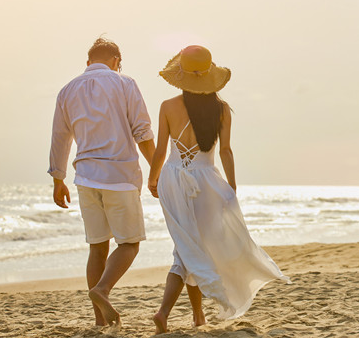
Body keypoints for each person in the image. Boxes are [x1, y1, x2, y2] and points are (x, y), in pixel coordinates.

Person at [148, 45, 289, 334]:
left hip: (172, 179)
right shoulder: (222, 110)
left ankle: (196, 315)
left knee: (187, 246)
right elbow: (225, 151)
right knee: (191, 248)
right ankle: (166, 312)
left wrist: (152, 179)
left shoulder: (167, 106)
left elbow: (160, 150)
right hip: (205, 182)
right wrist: (231, 186)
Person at [48, 37, 155, 328]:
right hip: (119, 176)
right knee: (130, 243)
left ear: (88, 62)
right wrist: (157, 170)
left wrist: (58, 180)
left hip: (85, 177)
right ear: (116, 62)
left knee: (97, 247)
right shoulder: (125, 83)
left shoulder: (67, 90)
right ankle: (102, 290)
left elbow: (60, 137)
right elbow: (142, 131)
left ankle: (99, 321)